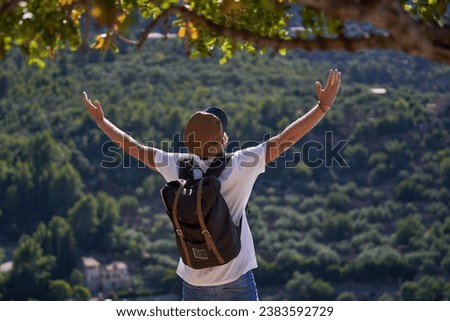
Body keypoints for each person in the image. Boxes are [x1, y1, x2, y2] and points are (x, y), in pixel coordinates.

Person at [83, 69, 341, 300]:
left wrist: (101, 122)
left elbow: (134, 147)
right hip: (235, 280)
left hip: (193, 282)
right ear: (224, 140)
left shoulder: (174, 166)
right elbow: (286, 138)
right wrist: (321, 108)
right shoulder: (242, 164)